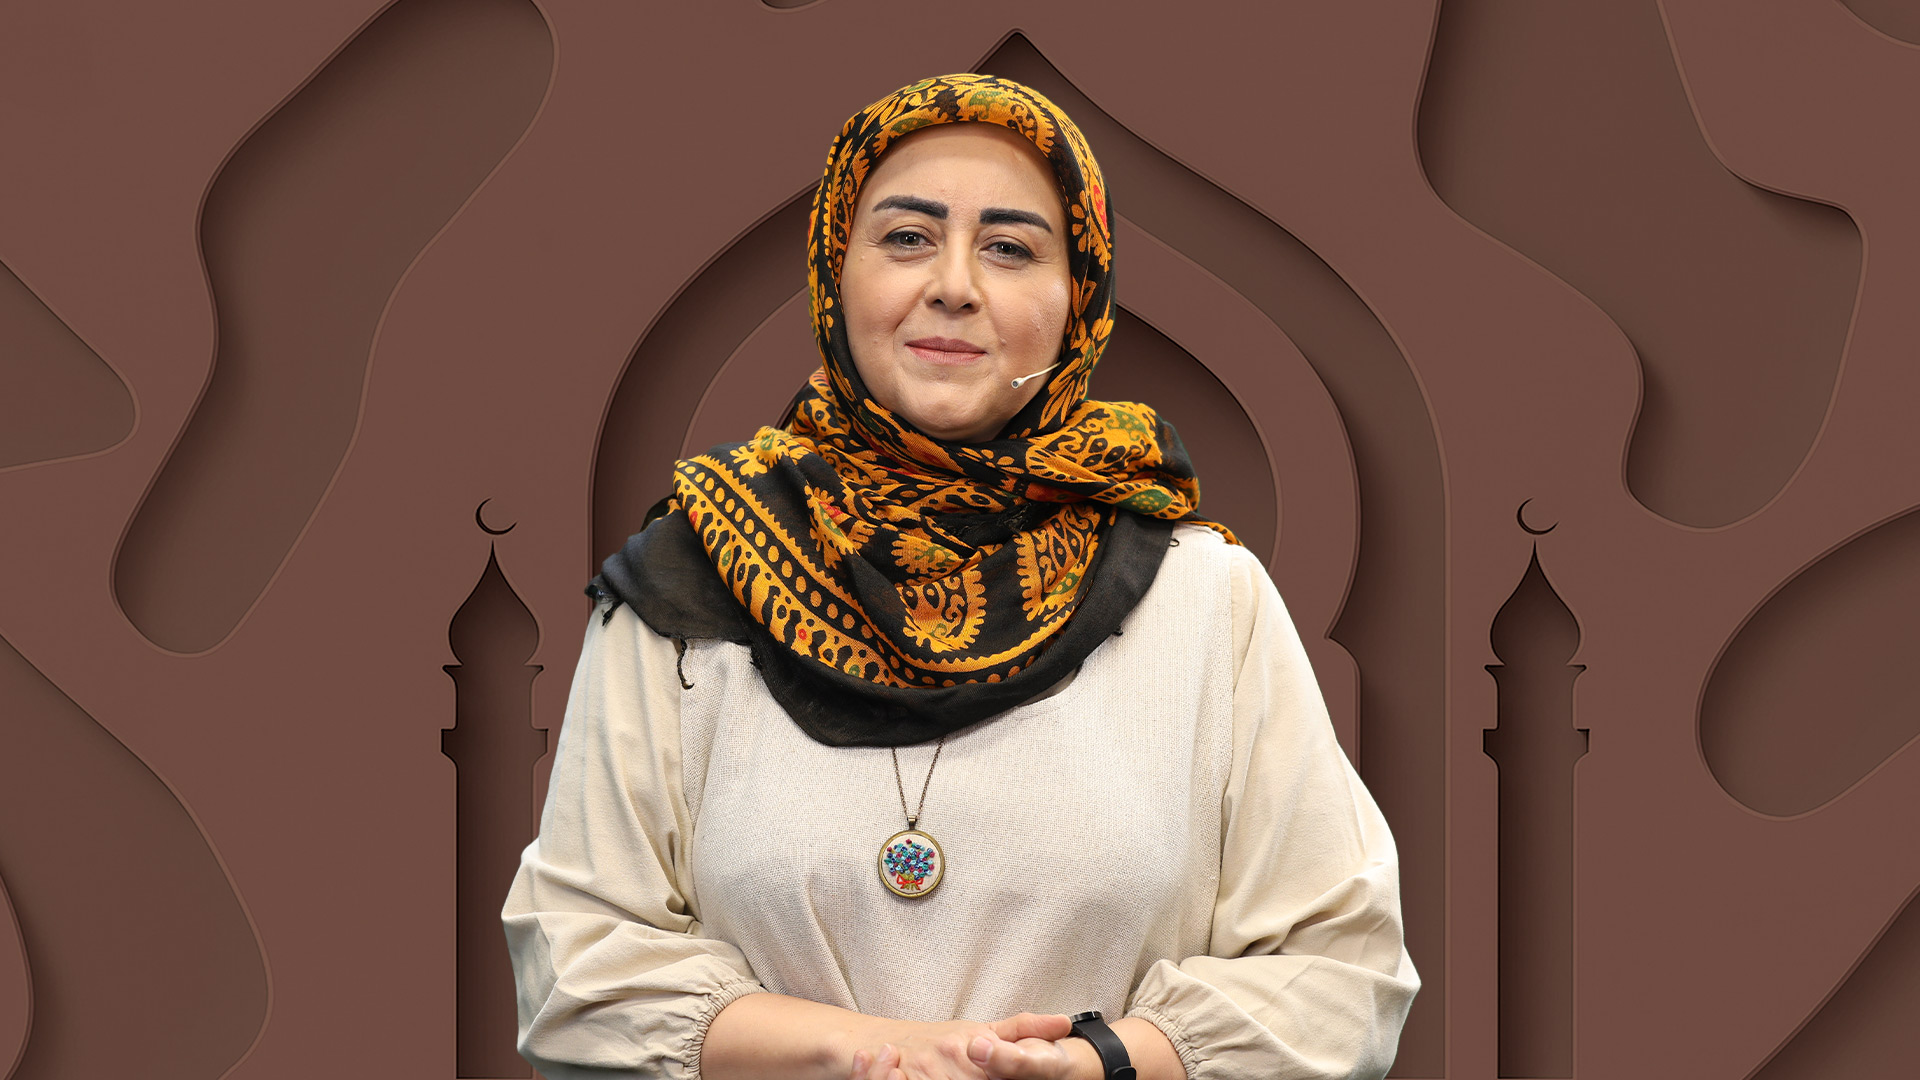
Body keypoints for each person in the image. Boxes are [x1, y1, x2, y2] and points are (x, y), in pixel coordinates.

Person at [503, 74, 1417, 1080]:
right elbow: (574, 971)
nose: (953, 285)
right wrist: (879, 1054)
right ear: (835, 274)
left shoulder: (1204, 598)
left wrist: (1100, 1065)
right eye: (906, 238)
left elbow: (1342, 977)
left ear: (1079, 300)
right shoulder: (693, 578)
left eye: (1011, 248)